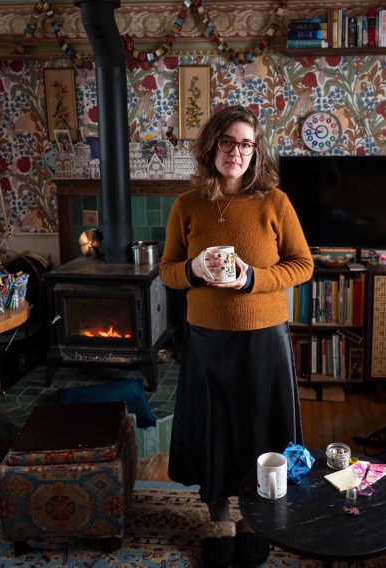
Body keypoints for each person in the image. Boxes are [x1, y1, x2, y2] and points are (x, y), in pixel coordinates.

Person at [159, 105, 313, 568]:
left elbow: (302, 265)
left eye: (246, 144)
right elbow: (167, 272)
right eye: (228, 141)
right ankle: (219, 516)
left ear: (256, 151)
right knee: (215, 427)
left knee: (260, 428)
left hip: (264, 334)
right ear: (212, 146)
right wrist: (192, 269)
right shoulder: (187, 205)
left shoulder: (275, 202)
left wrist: (250, 279)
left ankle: (253, 516)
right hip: (207, 336)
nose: (237, 152)